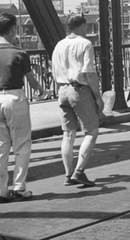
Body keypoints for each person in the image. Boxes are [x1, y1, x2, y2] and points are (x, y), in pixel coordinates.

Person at [0, 12, 47, 203]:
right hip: (14, 98)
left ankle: (1, 192)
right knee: (22, 145)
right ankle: (19, 188)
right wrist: (42, 92)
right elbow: (32, 80)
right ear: (12, 30)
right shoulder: (20, 53)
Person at [52, 14, 104, 187]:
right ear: (81, 26)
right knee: (91, 131)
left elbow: (54, 72)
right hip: (79, 90)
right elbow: (89, 73)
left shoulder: (59, 45)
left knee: (68, 134)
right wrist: (98, 97)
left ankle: (68, 174)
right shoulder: (85, 44)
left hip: (63, 89)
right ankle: (79, 172)